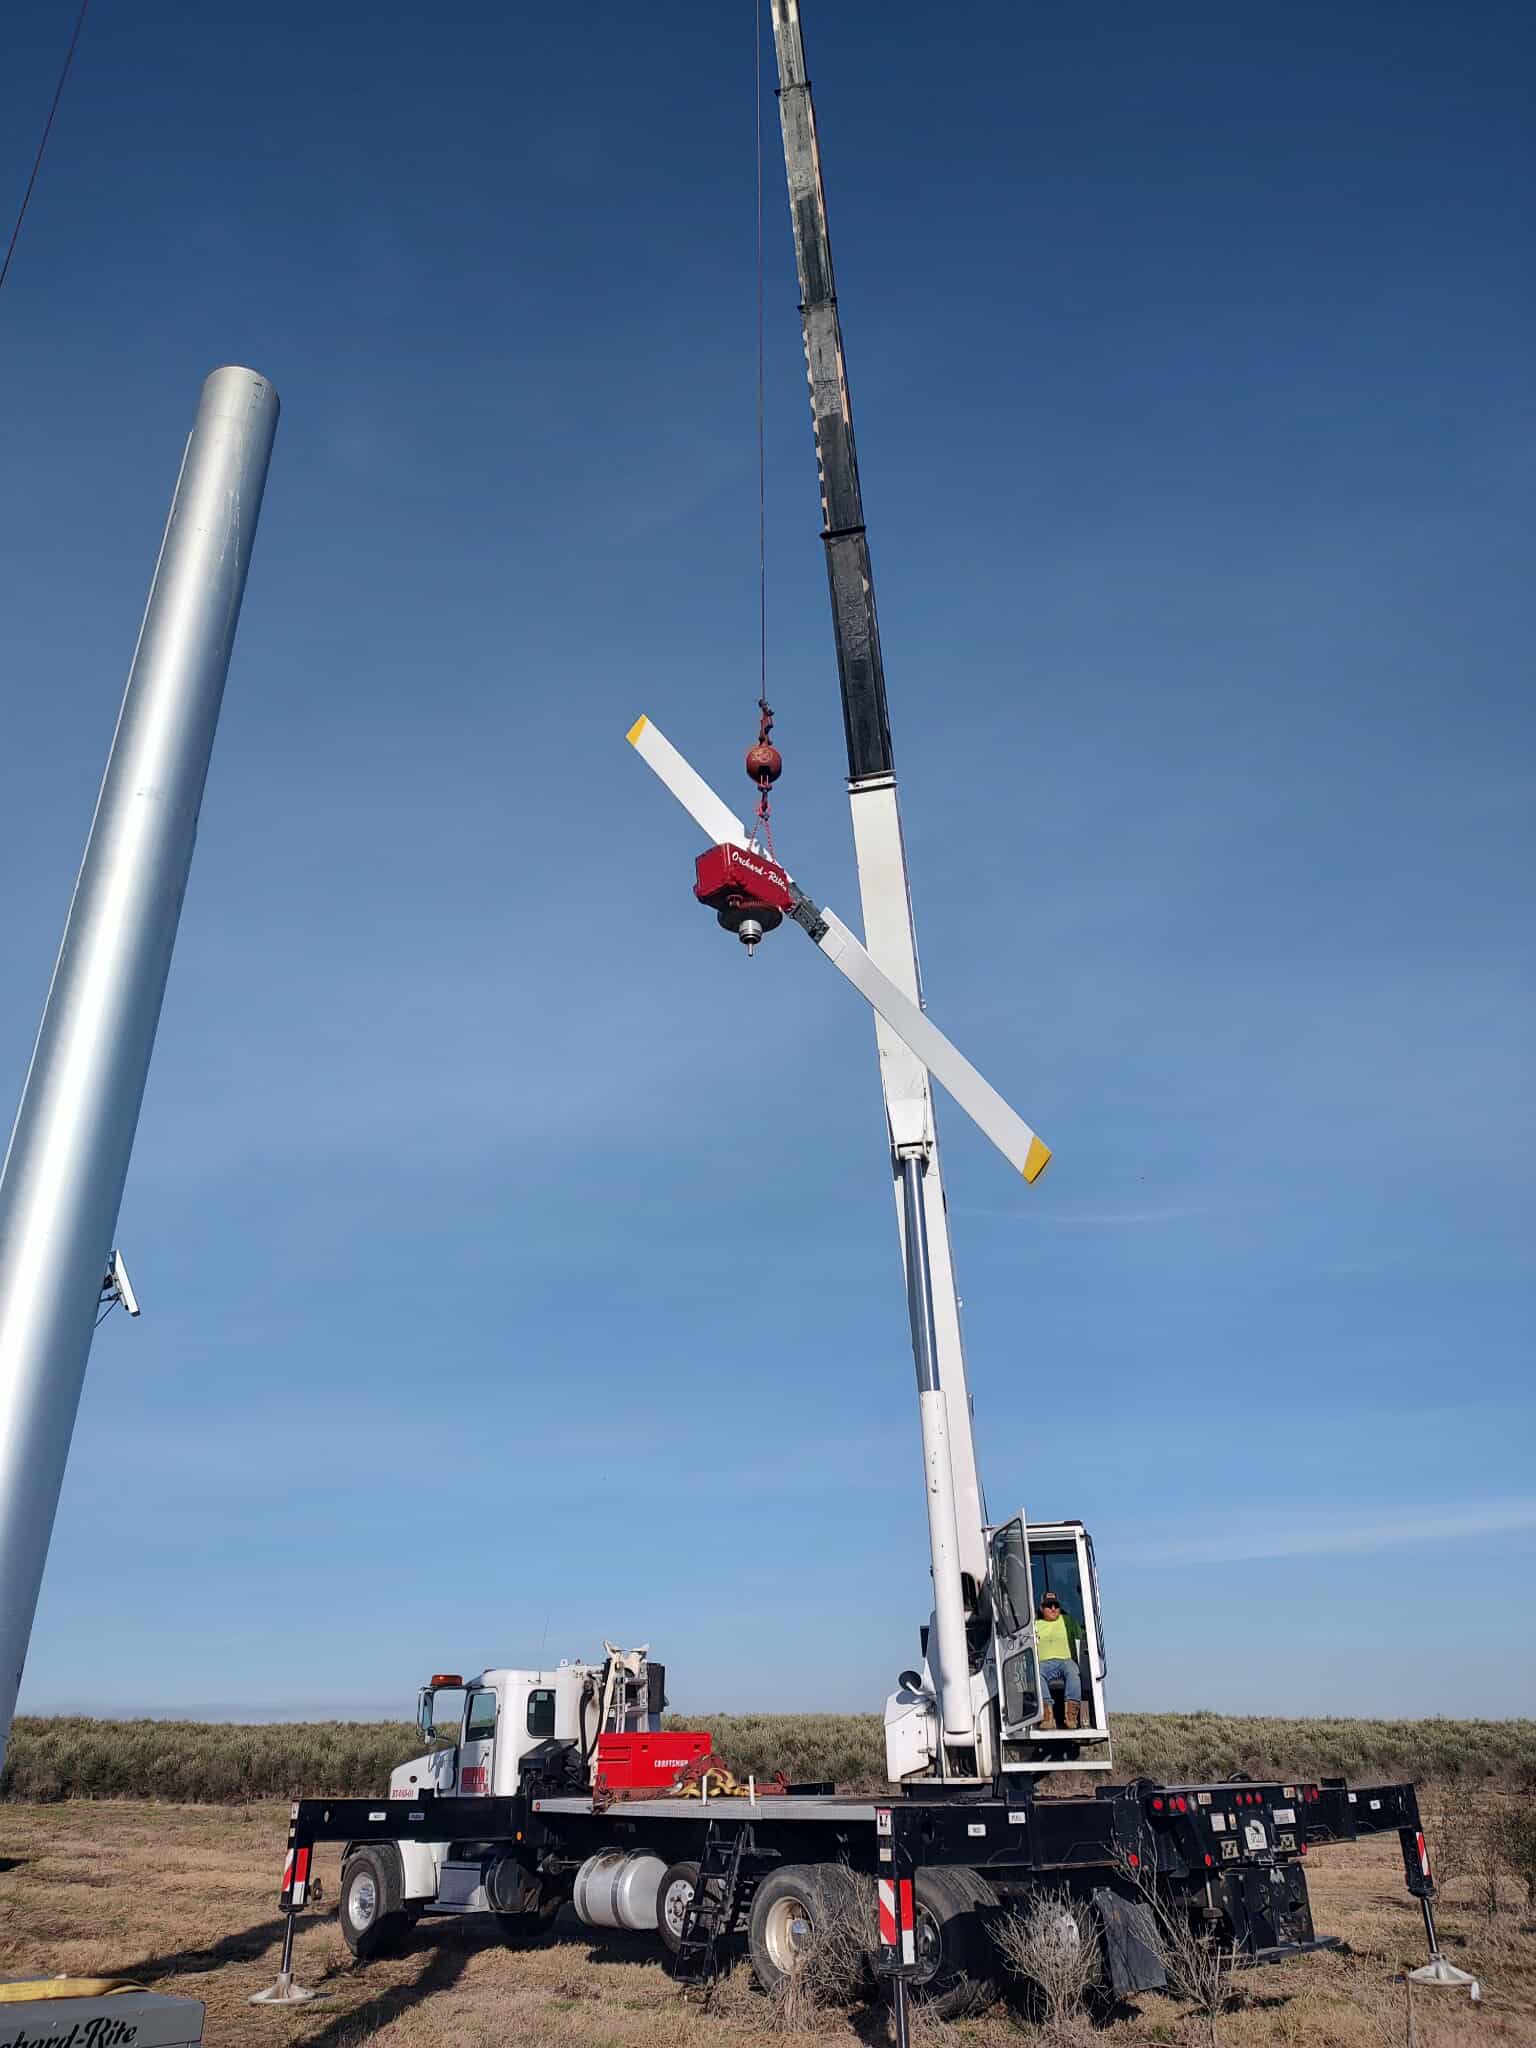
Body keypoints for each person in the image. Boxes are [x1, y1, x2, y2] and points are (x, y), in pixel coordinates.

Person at [1034, 1593, 1084, 1729]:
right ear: (1041, 1608)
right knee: (1036, 1673)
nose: (1053, 1608)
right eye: (1049, 1605)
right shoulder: (1034, 1624)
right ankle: (1047, 1717)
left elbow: (1083, 1635)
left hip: (1065, 1661)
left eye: (1056, 1605)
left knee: (1073, 1671)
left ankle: (1071, 1717)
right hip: (1043, 1664)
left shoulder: (1068, 1621)